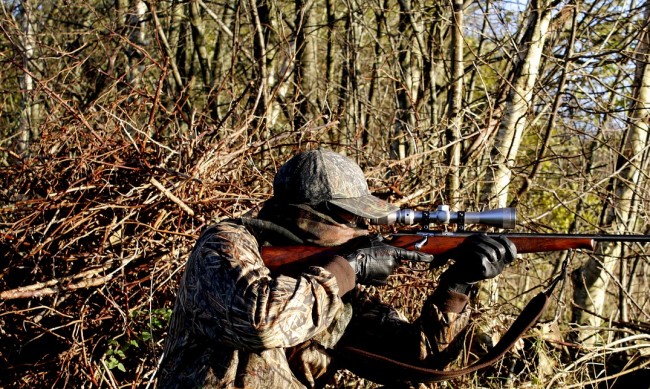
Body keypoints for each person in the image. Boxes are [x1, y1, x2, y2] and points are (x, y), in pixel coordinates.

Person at [157, 149, 516, 388]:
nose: (363, 228)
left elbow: (419, 361)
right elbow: (261, 323)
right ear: (310, 215)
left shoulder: (332, 287)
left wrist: (457, 286)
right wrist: (350, 267)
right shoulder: (227, 244)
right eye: (352, 217)